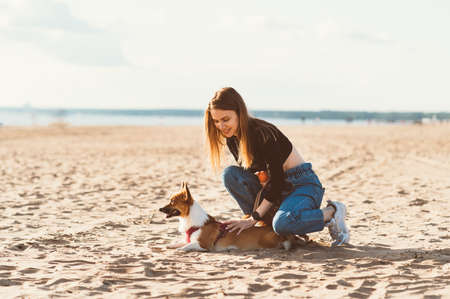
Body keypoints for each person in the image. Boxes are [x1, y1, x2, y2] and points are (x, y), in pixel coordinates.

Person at [204, 87, 350, 246]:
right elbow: (262, 177)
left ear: (240, 113)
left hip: (301, 185)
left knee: (282, 224)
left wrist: (255, 217)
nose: (221, 126)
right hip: (276, 190)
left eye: (225, 119)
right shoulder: (232, 138)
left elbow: (278, 181)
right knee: (231, 174)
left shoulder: (262, 133)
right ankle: (265, 226)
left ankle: (331, 212)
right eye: (216, 121)